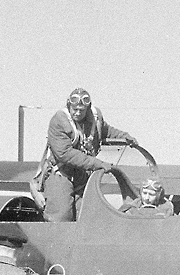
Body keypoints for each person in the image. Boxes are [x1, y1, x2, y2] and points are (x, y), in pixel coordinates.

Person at [38, 88, 140, 222]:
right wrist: (98, 164)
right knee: (61, 217)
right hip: (61, 173)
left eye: (82, 110)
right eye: (75, 109)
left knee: (89, 218)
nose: (78, 113)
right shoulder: (58, 121)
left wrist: (125, 137)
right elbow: (65, 154)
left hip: (83, 176)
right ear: (69, 106)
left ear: (88, 108)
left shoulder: (95, 118)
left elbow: (106, 131)